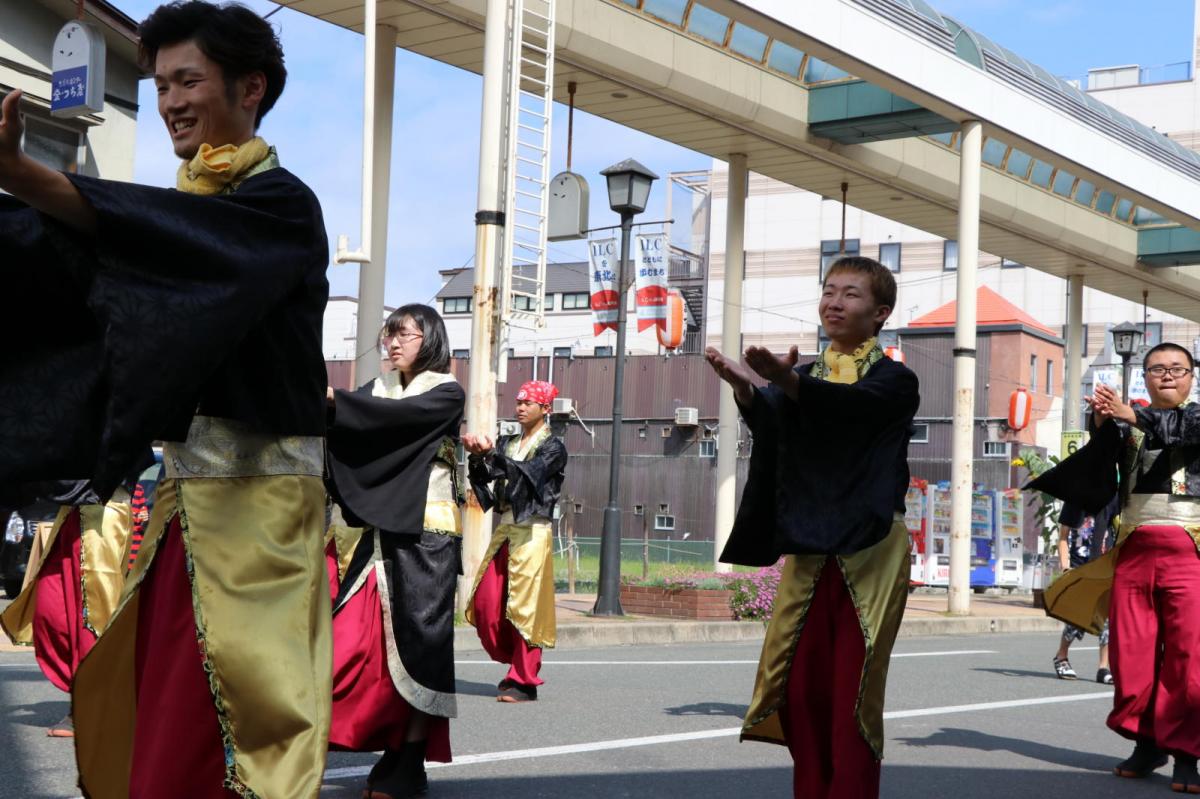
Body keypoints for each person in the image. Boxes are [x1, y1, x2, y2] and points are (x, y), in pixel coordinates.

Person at [0, 2, 333, 796]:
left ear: (251, 87)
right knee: (170, 741)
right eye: (159, 85)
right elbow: (109, 268)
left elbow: (158, 239)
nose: (171, 101)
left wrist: (22, 174)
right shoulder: (194, 213)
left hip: (261, 524)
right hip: (186, 516)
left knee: (246, 733)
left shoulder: (280, 206)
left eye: (188, 79)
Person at [705, 256, 918, 799]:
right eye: (828, 291)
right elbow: (777, 426)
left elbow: (851, 411)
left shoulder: (895, 380)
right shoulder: (806, 376)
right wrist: (750, 391)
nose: (834, 302)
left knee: (852, 693)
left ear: (880, 313)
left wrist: (784, 382)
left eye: (851, 293)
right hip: (811, 546)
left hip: (870, 550)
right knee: (800, 691)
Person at [1031, 342, 1200, 793]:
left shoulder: (1197, 416)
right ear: (1143, 377)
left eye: (1176, 368)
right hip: (1133, 547)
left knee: (1189, 658)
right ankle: (1147, 742)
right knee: (1131, 652)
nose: (1166, 375)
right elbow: (1101, 466)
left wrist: (1129, 414)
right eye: (1156, 368)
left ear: (1191, 376)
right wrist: (1102, 421)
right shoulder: (1131, 423)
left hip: (1192, 551)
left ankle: (1187, 753)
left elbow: (1179, 429)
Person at [324, 304, 465, 799]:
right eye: (390, 335)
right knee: (354, 640)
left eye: (406, 333)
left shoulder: (445, 392)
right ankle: (374, 740)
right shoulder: (375, 390)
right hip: (382, 530)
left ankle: (407, 759)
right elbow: (350, 427)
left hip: (430, 536)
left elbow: (390, 420)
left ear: (431, 338)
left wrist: (336, 403)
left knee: (419, 647)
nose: (394, 343)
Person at [0, 480, 136, 738]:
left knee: (96, 612)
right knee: (51, 610)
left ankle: (93, 706)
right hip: (72, 511)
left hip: (105, 509)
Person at [463, 380, 568, 703]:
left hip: (534, 533)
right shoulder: (508, 442)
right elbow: (489, 481)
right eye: (519, 402)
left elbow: (530, 473)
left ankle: (524, 680)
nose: (520, 407)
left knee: (526, 609)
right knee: (486, 602)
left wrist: (492, 454)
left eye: (528, 403)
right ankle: (513, 666)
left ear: (545, 409)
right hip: (506, 530)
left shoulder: (554, 448)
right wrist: (479, 459)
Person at [1052, 497, 1118, 684]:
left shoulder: (1112, 499)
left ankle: (1103, 668)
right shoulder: (1075, 500)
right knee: (1077, 617)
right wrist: (1065, 567)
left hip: (1105, 567)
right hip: (1080, 568)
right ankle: (1061, 656)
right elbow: (1063, 537)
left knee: (1107, 619)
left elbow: (1117, 529)